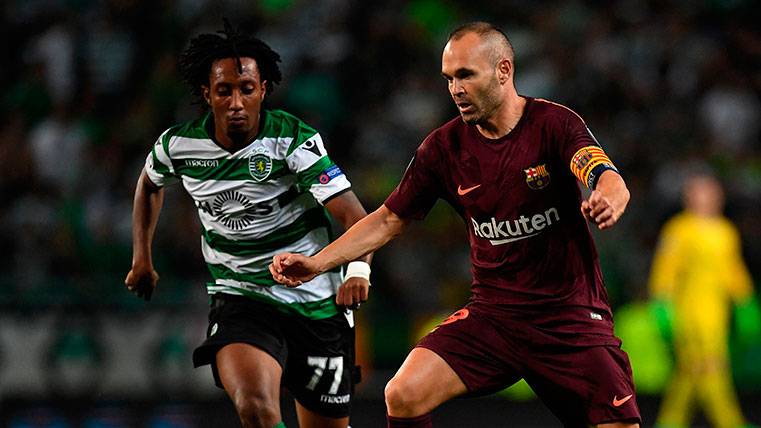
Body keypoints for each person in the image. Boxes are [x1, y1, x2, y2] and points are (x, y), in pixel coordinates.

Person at [271, 22, 641, 428]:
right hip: (494, 318)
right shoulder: (443, 149)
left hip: (568, 319)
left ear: (503, 70)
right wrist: (317, 263)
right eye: (449, 78)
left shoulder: (553, 124)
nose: (455, 89)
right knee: (403, 394)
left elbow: (606, 176)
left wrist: (608, 198)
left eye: (466, 75)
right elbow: (389, 219)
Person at [124, 23, 371, 428]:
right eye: (225, 91)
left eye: (247, 88)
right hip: (241, 298)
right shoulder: (178, 146)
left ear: (264, 90)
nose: (236, 102)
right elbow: (149, 184)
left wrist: (358, 269)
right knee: (256, 409)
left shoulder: (293, 140)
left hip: (316, 303)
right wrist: (142, 259)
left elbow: (354, 216)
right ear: (207, 94)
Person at [649, 171, 760, 428]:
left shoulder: (726, 231)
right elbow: (666, 268)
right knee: (712, 366)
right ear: (689, 196)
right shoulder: (679, 229)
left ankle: (670, 421)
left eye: (711, 191)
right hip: (689, 309)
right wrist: (662, 303)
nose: (706, 197)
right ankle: (730, 422)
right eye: (700, 191)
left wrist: (745, 301)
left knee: (692, 369)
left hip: (717, 310)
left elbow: (733, 270)